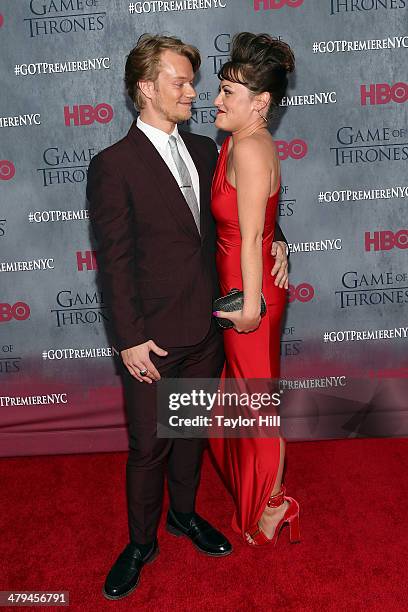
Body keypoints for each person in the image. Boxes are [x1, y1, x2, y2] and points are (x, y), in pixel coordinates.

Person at [87, 34, 289, 600]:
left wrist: (281, 243)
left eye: (194, 82)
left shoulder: (208, 150)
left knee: (190, 433)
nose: (193, 92)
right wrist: (128, 339)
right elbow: (116, 263)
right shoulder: (113, 166)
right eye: (180, 81)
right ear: (146, 90)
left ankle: (183, 516)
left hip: (207, 328)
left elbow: (249, 214)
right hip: (150, 336)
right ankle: (140, 544)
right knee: (147, 445)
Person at [210, 32, 300, 547]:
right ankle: (266, 492)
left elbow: (249, 240)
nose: (216, 100)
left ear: (261, 102)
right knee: (234, 405)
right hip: (246, 289)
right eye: (220, 89)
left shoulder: (247, 148)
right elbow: (266, 229)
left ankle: (274, 504)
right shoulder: (237, 142)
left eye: (228, 92)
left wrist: (248, 307)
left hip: (251, 298)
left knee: (255, 405)